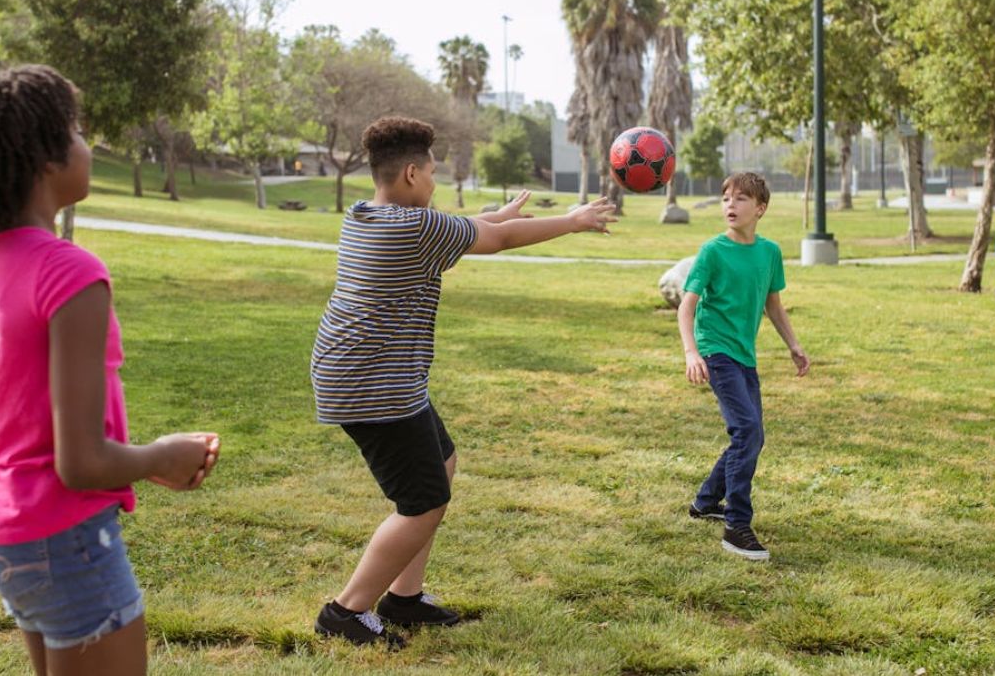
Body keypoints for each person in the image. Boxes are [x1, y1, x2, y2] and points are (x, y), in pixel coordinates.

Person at [0, 65, 220, 676]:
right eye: (77, 131)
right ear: (44, 157)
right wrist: (162, 456)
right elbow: (79, 464)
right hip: (60, 537)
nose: (88, 145)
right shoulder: (71, 273)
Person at [310, 116, 616, 648]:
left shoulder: (365, 214)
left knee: (442, 464)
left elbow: (473, 228)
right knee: (422, 501)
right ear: (410, 174)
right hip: (372, 385)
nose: (436, 184)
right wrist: (572, 220)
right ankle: (345, 611)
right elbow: (493, 241)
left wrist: (493, 216)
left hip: (372, 375)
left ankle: (403, 598)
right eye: (432, 175)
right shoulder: (416, 226)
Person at [677, 172, 809, 562]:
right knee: (747, 430)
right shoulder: (713, 251)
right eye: (725, 199)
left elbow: (773, 305)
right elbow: (687, 306)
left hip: (745, 355)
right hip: (716, 352)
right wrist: (691, 353)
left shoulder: (769, 253)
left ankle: (704, 502)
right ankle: (736, 526)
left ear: (761, 209)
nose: (730, 205)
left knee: (750, 436)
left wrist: (794, 345)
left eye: (741, 199)